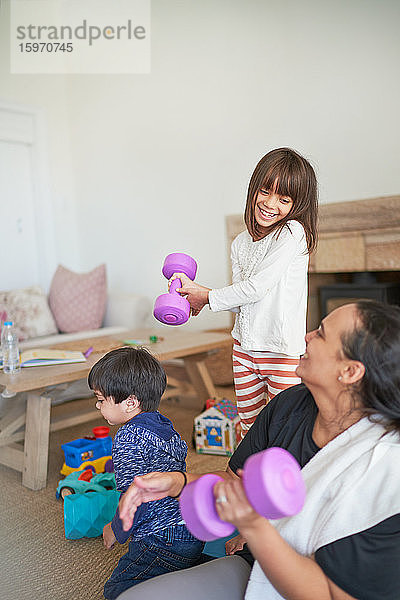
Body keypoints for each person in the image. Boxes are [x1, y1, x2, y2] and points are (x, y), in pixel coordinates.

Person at [117, 300, 400, 600]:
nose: (307, 335)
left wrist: (253, 527)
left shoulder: (385, 468)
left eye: (321, 333)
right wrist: (176, 482)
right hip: (258, 565)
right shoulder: (291, 404)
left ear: (350, 371)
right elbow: (233, 484)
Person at [170, 147, 318, 435]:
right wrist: (202, 299)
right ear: (254, 189)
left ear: (296, 205)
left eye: (284, 199)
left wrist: (208, 296)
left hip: (280, 350)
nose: (270, 203)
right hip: (244, 349)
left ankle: (283, 477)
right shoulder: (240, 243)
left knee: (284, 427)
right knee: (249, 425)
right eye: (265, 191)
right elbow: (244, 301)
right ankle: (247, 476)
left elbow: (258, 287)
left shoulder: (292, 234)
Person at [87, 347, 204, 600]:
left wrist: (116, 530)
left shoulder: (127, 438)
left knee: (117, 590)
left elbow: (135, 497)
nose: (98, 406)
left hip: (162, 539)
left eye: (100, 399)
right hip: (192, 527)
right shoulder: (164, 423)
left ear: (130, 402)